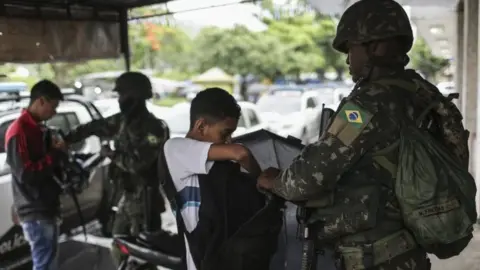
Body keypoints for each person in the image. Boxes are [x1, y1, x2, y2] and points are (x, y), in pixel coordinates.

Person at [257, 1, 469, 269]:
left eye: (351, 48)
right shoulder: (423, 94)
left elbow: (308, 178)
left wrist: (274, 181)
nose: (347, 59)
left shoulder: (367, 103)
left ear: (375, 47)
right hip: (409, 255)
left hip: (374, 258)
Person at [63, 71, 170, 267]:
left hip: (145, 201)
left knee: (144, 254)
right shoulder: (123, 121)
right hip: (128, 197)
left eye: (122, 95)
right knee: (119, 244)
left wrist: (111, 155)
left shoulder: (154, 128)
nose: (119, 99)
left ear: (135, 97)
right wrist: (66, 139)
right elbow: (95, 126)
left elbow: (139, 165)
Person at [163, 87, 262, 270]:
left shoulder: (212, 162)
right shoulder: (176, 148)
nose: (228, 140)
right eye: (224, 133)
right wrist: (262, 178)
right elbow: (240, 153)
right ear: (201, 126)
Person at [6, 80, 65, 270]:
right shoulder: (19, 131)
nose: (54, 112)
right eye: (53, 106)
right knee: (44, 264)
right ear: (41, 101)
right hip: (35, 210)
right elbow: (27, 174)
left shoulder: (37, 129)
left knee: (48, 261)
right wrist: (55, 154)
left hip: (45, 207)